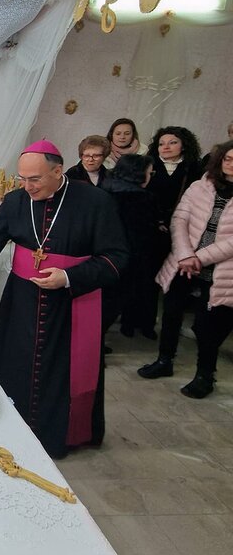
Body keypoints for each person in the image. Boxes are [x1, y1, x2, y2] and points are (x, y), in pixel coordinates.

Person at [0, 140, 128, 458]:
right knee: (15, 364)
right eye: (22, 179)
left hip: (71, 305)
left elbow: (117, 258)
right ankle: (10, 431)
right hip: (22, 301)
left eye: (35, 179)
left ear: (57, 171)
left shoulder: (95, 202)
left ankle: (56, 438)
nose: (27, 187)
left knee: (59, 373)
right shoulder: (15, 201)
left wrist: (69, 277)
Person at [137, 140, 233, 396]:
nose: (231, 164)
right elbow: (179, 219)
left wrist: (199, 259)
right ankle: (164, 360)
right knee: (171, 313)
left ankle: (205, 375)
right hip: (183, 261)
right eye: (228, 159)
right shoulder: (201, 186)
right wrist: (185, 255)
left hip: (220, 269)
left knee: (207, 324)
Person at [140, 126, 203, 338]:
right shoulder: (148, 165)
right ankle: (145, 323)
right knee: (147, 278)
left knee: (175, 281)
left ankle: (170, 327)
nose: (166, 147)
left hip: (182, 231)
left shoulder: (194, 169)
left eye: (172, 142)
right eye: (161, 143)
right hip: (150, 229)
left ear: (184, 145)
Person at [101, 154, 159, 338]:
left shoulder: (105, 190)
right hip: (125, 260)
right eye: (150, 172)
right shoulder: (140, 199)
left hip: (101, 256)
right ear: (139, 174)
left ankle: (96, 343)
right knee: (113, 304)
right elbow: (139, 237)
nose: (151, 176)